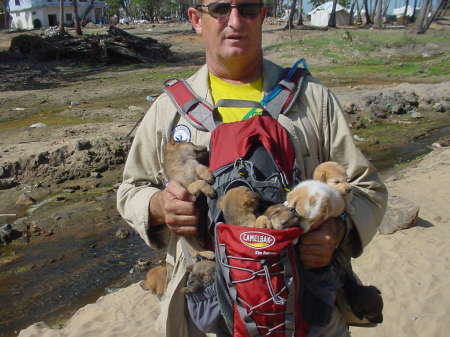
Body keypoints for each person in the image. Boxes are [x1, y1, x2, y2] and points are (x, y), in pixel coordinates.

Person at [117, 1, 388, 336]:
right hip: (208, 318)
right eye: (219, 8)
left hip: (308, 316)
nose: (234, 21)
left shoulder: (311, 100)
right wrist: (158, 207)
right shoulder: (169, 110)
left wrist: (339, 229)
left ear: (261, 16)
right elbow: (131, 188)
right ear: (196, 19)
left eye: (246, 8)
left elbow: (368, 189)